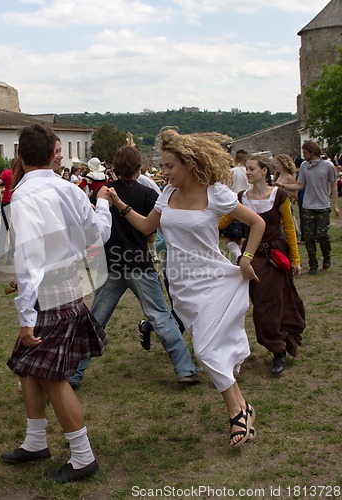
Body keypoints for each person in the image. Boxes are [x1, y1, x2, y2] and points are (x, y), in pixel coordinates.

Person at [108, 130, 265, 447]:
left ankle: (237, 414)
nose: (163, 173)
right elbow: (147, 227)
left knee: (206, 350)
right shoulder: (166, 195)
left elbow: (257, 223)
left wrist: (247, 258)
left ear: (189, 164)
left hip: (214, 280)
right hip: (181, 285)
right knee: (208, 350)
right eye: (162, 167)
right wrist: (119, 204)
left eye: (169, 166)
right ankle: (242, 409)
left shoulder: (216, 194)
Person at [0, 123, 112, 483]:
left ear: (19, 156)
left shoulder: (24, 196)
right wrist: (105, 205)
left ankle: (82, 458)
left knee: (53, 378)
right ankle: (35, 442)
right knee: (29, 369)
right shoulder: (71, 190)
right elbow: (99, 235)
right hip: (69, 287)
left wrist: (25, 315)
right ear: (53, 155)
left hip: (49, 298)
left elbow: (29, 257)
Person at [67, 145, 202, 389]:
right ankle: (184, 369)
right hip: (139, 263)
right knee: (160, 316)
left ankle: (74, 373)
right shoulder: (149, 195)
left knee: (96, 320)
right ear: (138, 168)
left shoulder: (103, 194)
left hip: (111, 264)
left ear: (114, 169)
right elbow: (152, 229)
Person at [221, 155, 306, 375]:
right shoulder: (240, 198)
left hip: (276, 254)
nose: (247, 172)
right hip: (252, 257)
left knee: (276, 300)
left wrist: (295, 260)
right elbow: (221, 222)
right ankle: (278, 341)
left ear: (264, 171)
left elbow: (288, 229)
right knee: (261, 303)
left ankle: (279, 349)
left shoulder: (279, 195)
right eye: (247, 169)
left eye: (251, 169)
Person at [275, 140, 340, 274]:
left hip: (323, 205)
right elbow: (300, 185)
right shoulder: (304, 166)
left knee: (322, 235)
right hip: (308, 206)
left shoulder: (328, 165)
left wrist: (336, 205)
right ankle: (313, 264)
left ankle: (326, 256)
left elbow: (333, 186)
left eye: (305, 153)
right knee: (309, 237)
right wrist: (283, 186)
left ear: (313, 152)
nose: (303, 155)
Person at [223, 149, 251, 264]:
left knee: (229, 237)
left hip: (233, 205)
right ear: (245, 159)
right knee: (240, 237)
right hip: (247, 206)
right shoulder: (249, 171)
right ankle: (237, 260)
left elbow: (226, 188)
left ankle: (238, 256)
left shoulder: (232, 172)